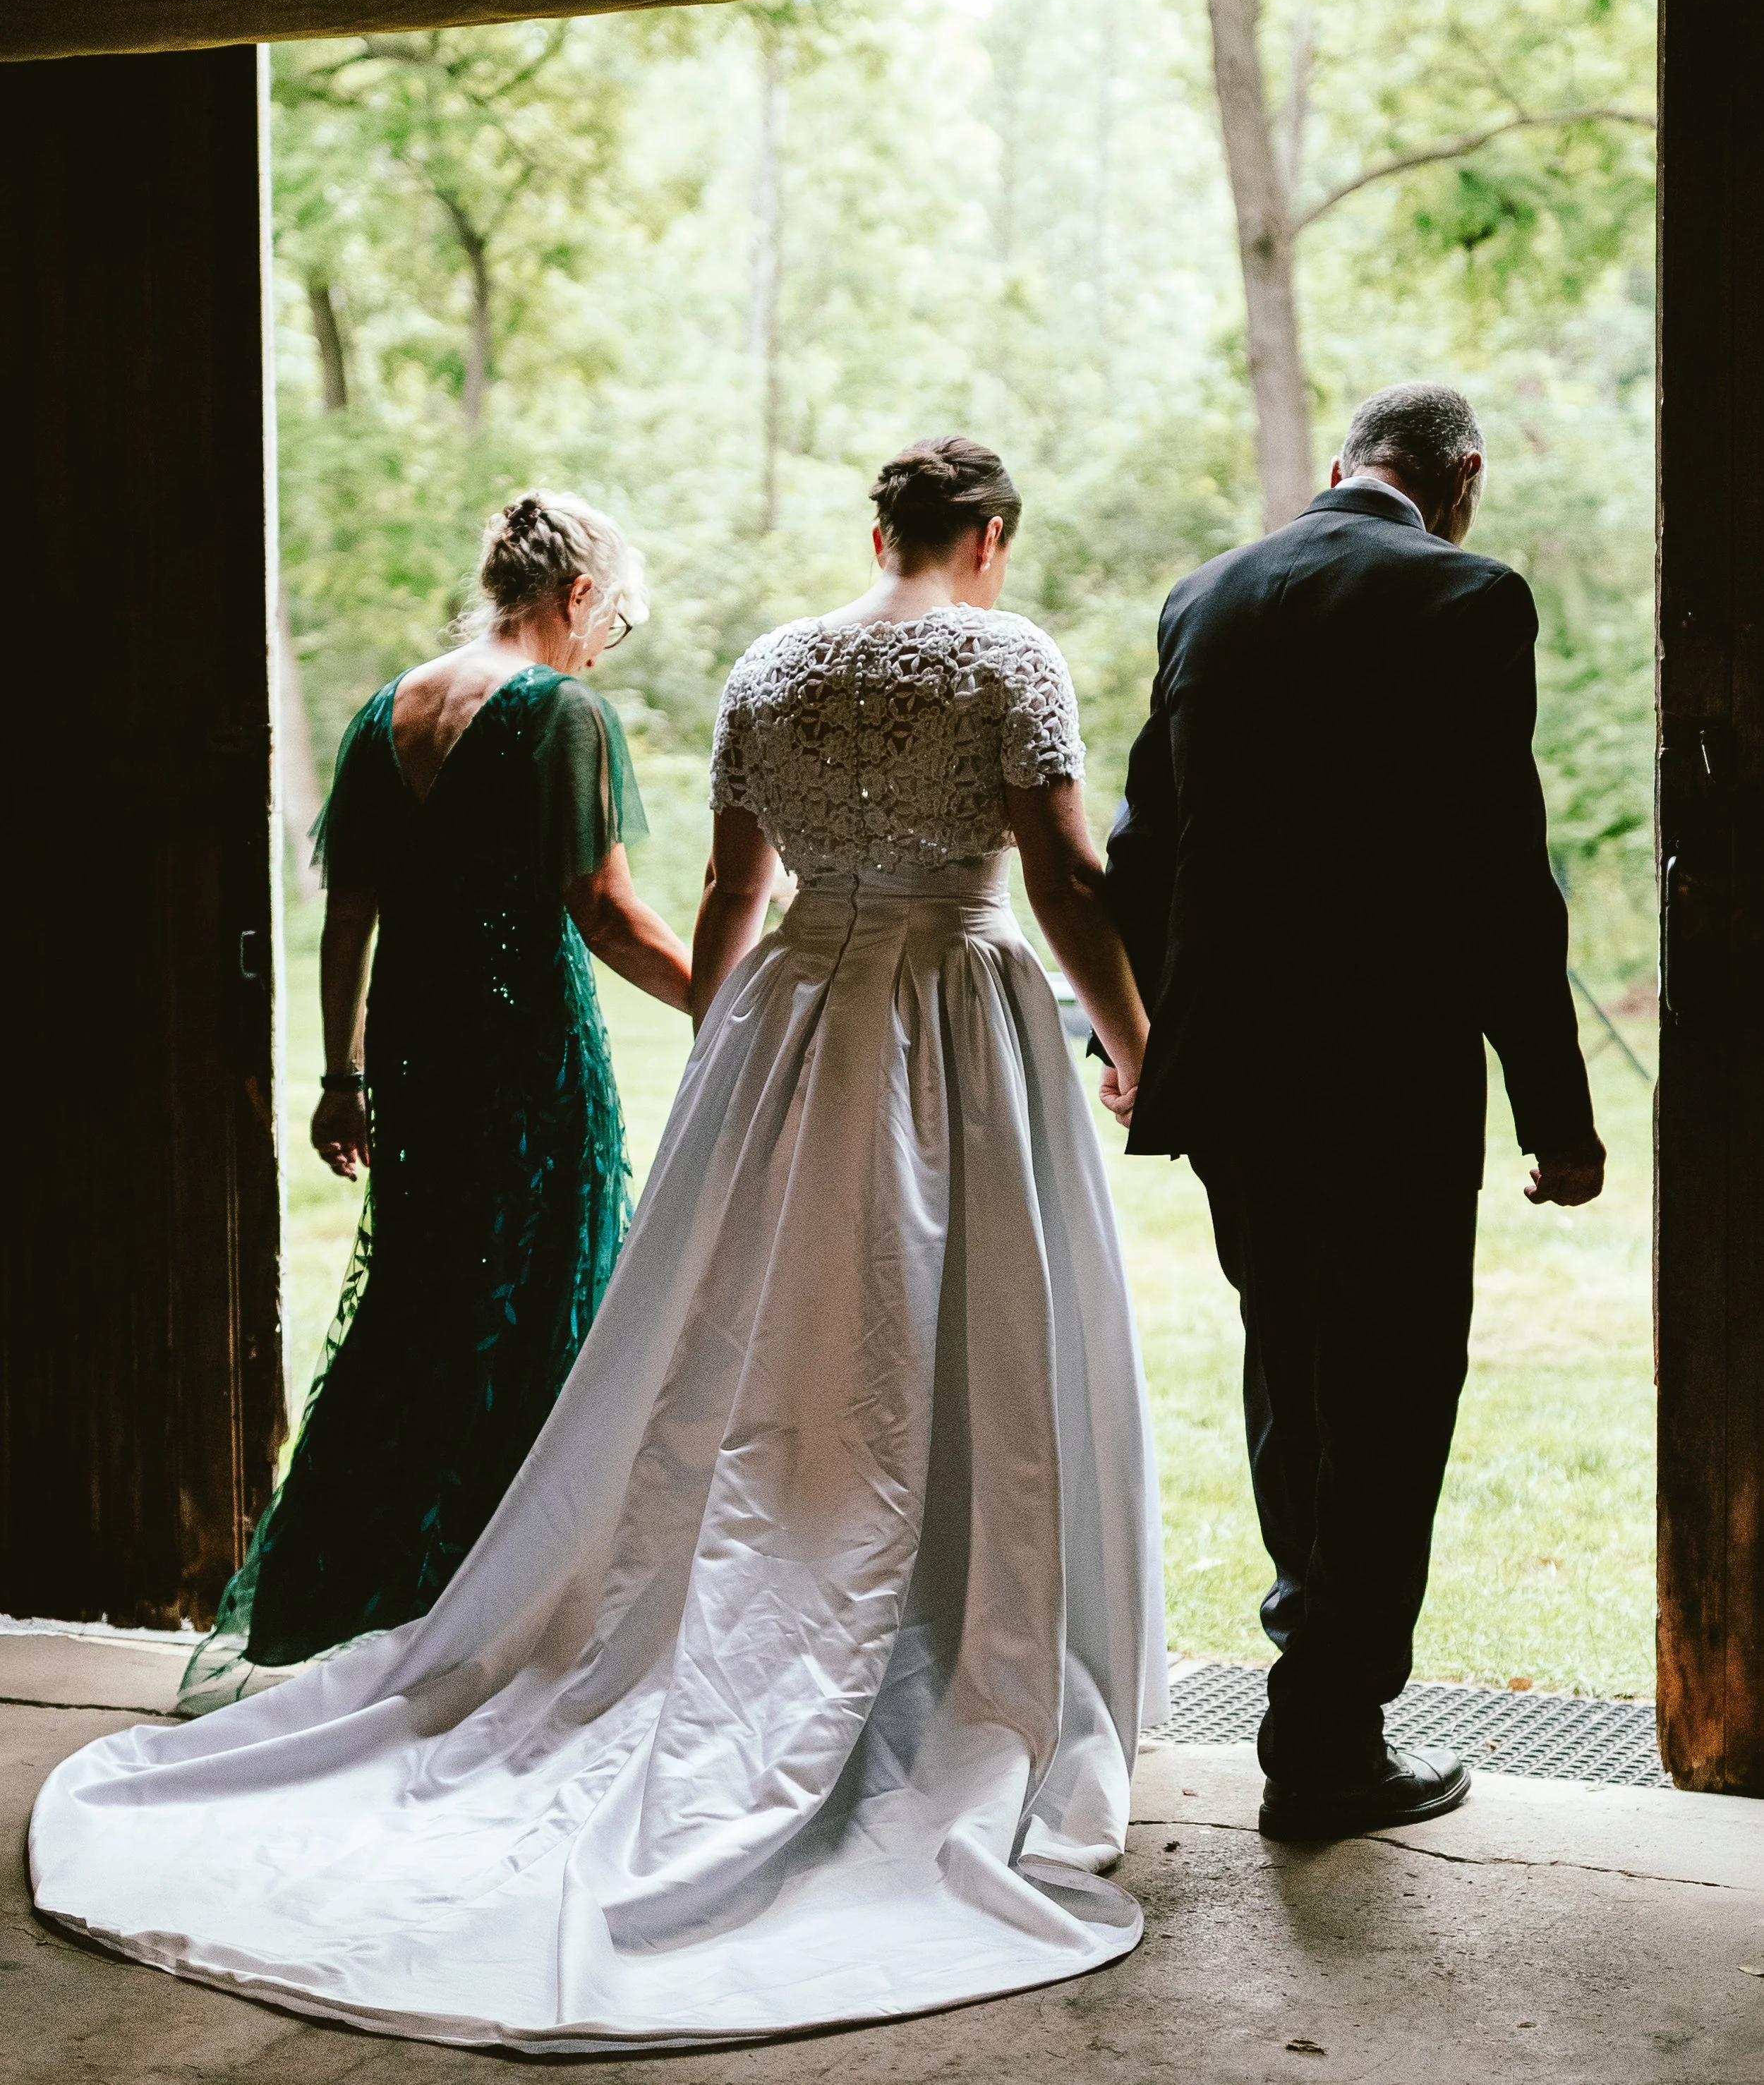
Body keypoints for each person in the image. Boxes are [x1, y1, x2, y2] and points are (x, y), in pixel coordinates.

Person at [35, 436, 1167, 2052]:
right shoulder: (1005, 656)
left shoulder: (775, 665)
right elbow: (1058, 870)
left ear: (876, 531)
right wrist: (1136, 1038)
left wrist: (731, 1055)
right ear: (985, 539)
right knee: (971, 1317)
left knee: (764, 1334)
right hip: (954, 1016)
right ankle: (961, 1641)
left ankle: (754, 1607)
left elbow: (728, 886)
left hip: (796, 1013)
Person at [1102, 382, 1604, 1842]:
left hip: (1234, 1073)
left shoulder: (1205, 595)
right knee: (1389, 1390)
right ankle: (1325, 1736)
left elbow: (1141, 844)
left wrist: (1147, 1029)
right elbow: (1496, 876)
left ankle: (1306, 1656)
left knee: (1290, 1368)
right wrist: (1553, 1116)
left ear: (1337, 469)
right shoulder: (1464, 596)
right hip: (1384, 1068)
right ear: (1458, 476)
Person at [176, 491, 692, 1715]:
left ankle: (350, 1591)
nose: (598, 643)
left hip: (415, 1055)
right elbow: (605, 910)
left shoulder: (384, 709)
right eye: (607, 619)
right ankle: (506, 1597)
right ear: (577, 596)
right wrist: (727, 997)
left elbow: (346, 913)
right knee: (534, 1306)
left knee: (420, 1306)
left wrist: (342, 1075)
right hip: (525, 1055)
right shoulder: (563, 713)